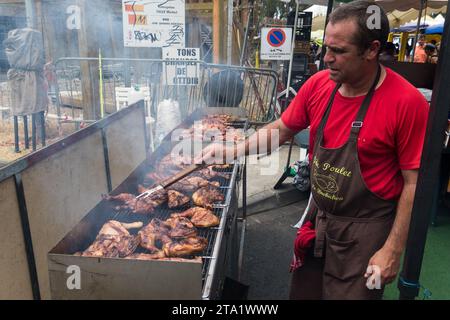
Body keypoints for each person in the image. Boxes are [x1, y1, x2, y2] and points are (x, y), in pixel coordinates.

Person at [197, 0, 429, 300]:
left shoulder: (407, 103)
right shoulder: (319, 84)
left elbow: (414, 184)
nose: (326, 59)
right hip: (318, 220)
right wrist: (232, 150)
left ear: (372, 50)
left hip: (364, 233)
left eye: (339, 51)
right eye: (326, 48)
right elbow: (281, 129)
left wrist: (392, 250)